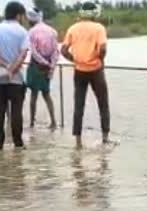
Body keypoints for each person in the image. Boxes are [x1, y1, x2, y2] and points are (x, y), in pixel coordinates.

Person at [61, 2, 110, 148]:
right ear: (95, 13)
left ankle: (78, 141)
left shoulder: (73, 28)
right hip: (96, 71)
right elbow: (103, 48)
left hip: (79, 70)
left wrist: (75, 60)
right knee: (103, 104)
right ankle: (105, 138)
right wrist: (100, 60)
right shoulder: (99, 28)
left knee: (79, 105)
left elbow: (63, 50)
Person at [0, 1, 29, 150]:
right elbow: (23, 54)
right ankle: (18, 143)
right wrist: (12, 68)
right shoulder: (22, 32)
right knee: (16, 111)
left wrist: (5, 66)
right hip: (16, 79)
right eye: (23, 15)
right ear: (18, 15)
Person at [26, 7, 59, 129]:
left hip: (36, 66)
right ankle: (54, 122)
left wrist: (43, 62)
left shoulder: (31, 32)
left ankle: (32, 122)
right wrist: (51, 66)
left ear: (31, 19)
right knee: (46, 94)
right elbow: (56, 52)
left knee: (33, 95)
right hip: (47, 67)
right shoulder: (52, 31)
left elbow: (33, 52)